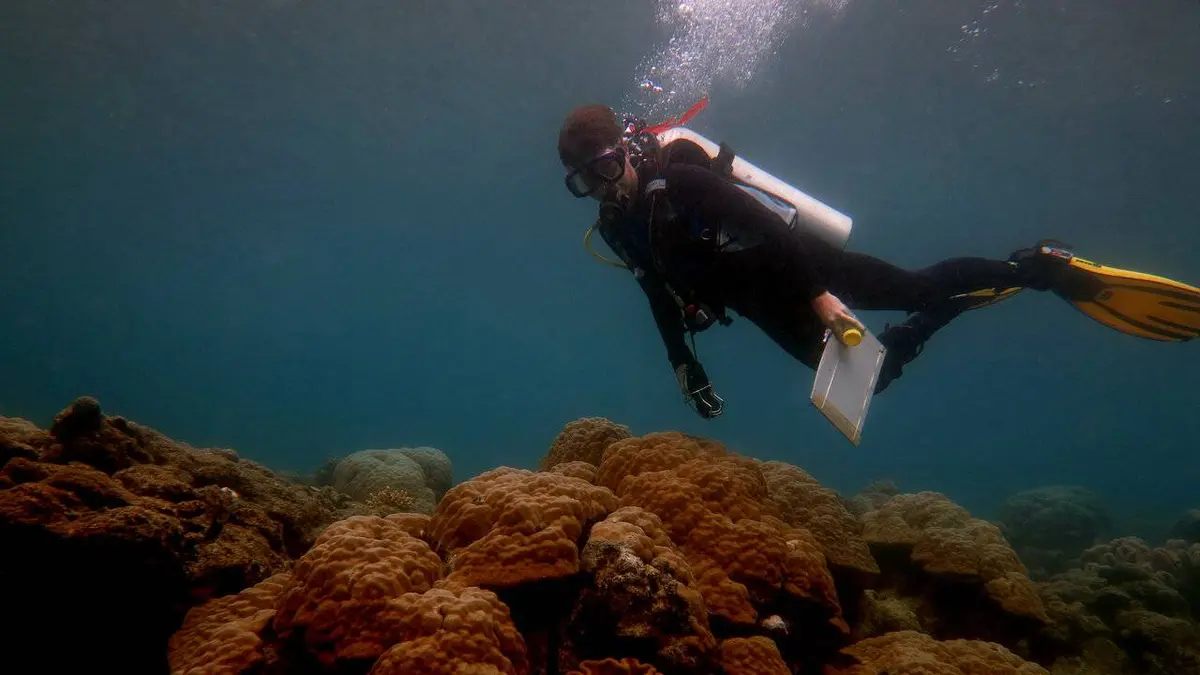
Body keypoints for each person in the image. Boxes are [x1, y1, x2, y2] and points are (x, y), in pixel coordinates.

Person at [556, 103, 1200, 419]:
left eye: (607, 168)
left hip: (803, 267)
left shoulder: (681, 181)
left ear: (626, 151)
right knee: (872, 379)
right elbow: (653, 291)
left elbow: (766, 227)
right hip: (760, 306)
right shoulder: (616, 228)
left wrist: (819, 295)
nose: (604, 188)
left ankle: (1038, 268)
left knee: (914, 286)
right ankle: (949, 312)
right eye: (585, 181)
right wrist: (683, 364)